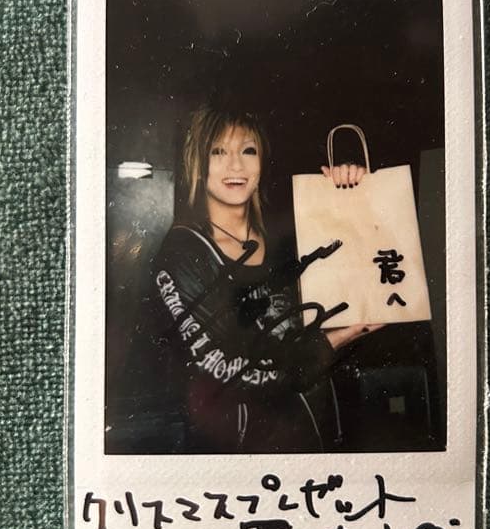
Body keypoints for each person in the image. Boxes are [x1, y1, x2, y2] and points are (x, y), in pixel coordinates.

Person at [152, 103, 377, 453]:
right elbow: (222, 372)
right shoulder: (185, 252)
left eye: (248, 151)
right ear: (197, 164)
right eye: (218, 152)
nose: (236, 165)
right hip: (244, 453)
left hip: (319, 434)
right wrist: (329, 343)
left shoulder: (289, 238)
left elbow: (353, 289)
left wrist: (349, 194)